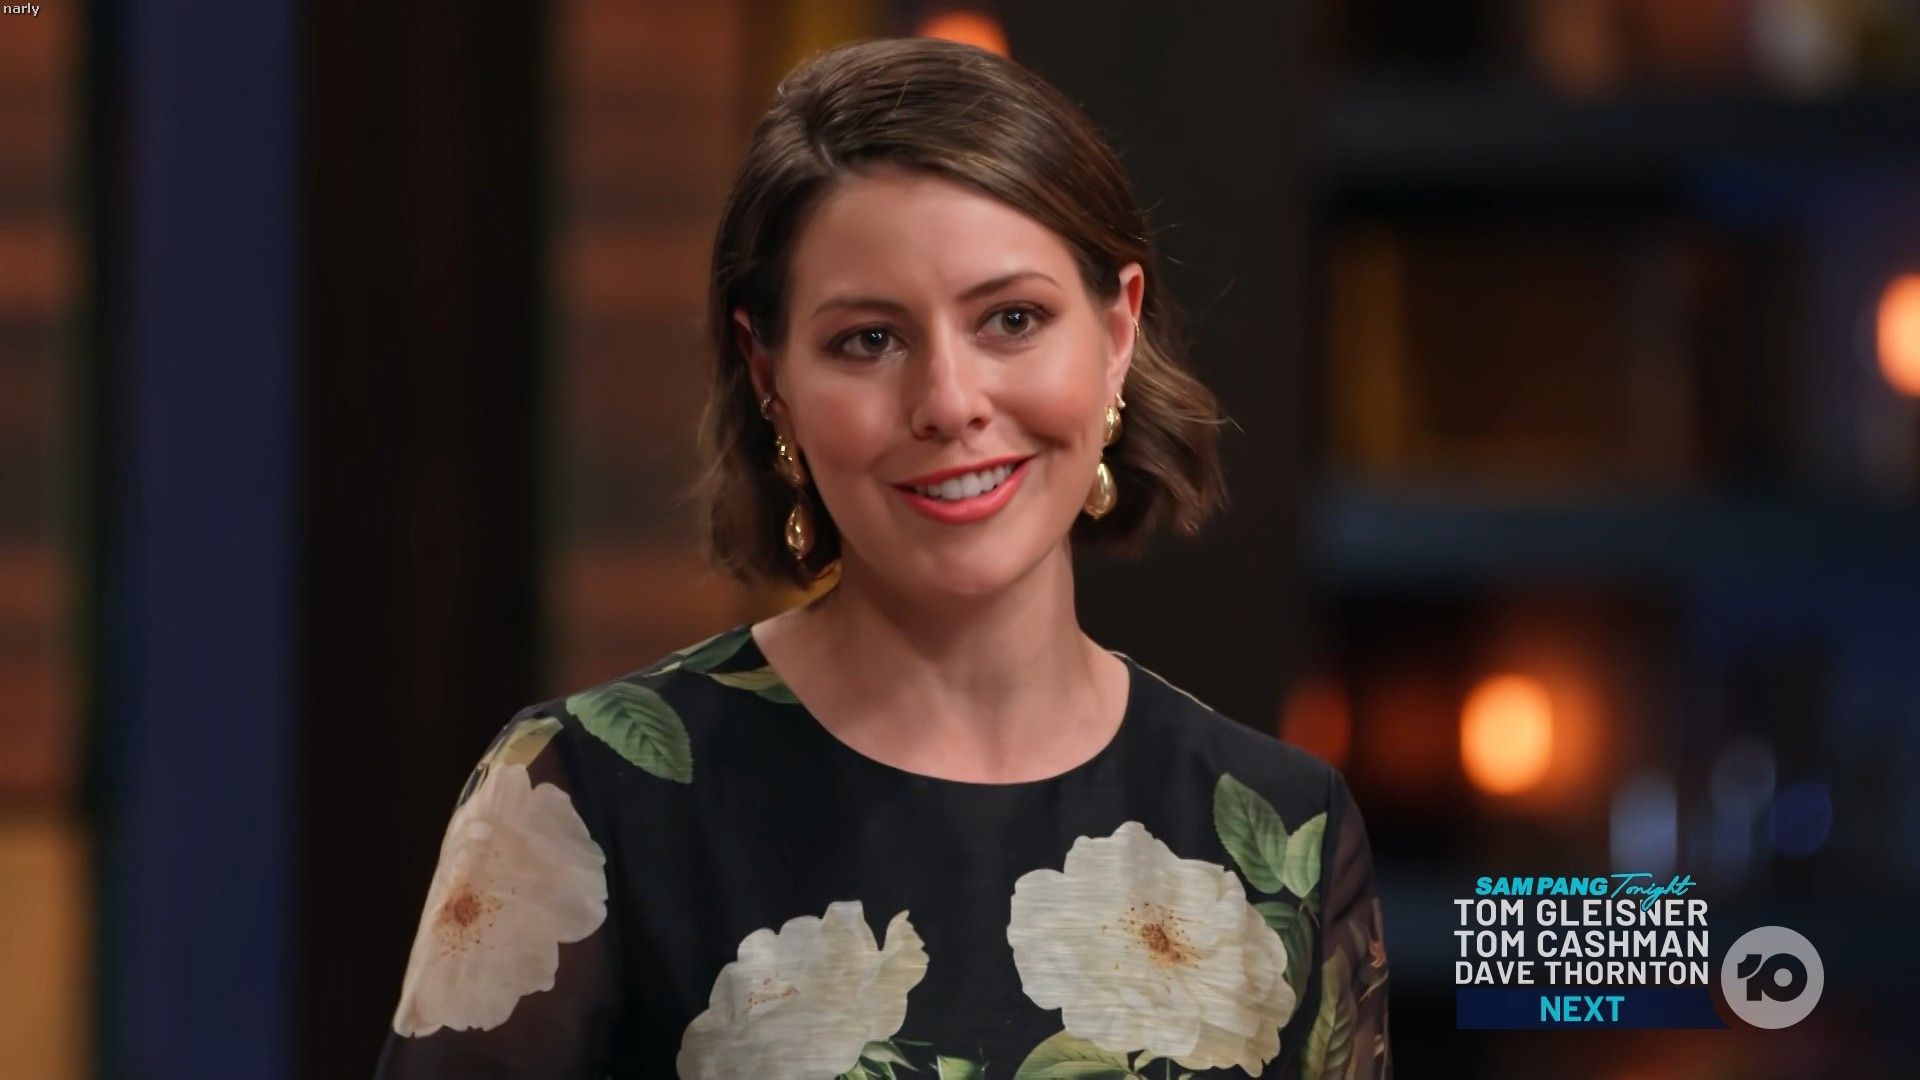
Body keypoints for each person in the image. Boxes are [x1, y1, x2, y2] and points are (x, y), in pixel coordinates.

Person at [375, 36, 1390, 1080]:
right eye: (869, 340)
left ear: (1117, 332)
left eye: (1012, 320)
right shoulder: (581, 802)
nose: (948, 402)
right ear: (769, 378)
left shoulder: (1288, 835)